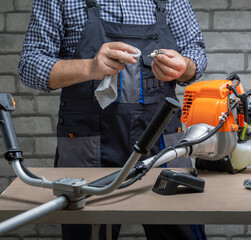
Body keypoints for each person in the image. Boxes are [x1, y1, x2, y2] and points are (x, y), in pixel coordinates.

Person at [19, 0, 207, 239]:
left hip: (162, 145)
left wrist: (185, 67)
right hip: (88, 146)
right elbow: (29, 65)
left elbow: (195, 52)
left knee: (180, 230)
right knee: (89, 232)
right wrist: (89, 67)